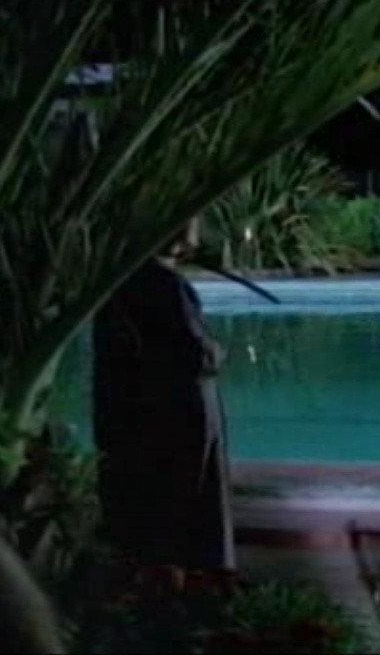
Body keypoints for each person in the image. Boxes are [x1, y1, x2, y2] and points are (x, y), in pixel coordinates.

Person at [92, 217, 234, 570]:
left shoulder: (118, 284)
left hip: (136, 414)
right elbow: (195, 354)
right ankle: (186, 576)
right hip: (179, 412)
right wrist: (217, 352)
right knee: (187, 503)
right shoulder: (166, 285)